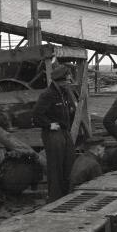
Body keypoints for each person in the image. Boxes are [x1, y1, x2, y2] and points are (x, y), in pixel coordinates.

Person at [32, 64, 76, 202]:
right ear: (59, 81)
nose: (69, 83)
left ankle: (67, 195)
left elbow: (71, 110)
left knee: (69, 162)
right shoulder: (47, 95)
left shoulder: (66, 92)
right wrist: (49, 125)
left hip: (64, 132)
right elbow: (36, 116)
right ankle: (55, 198)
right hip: (53, 134)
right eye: (67, 80)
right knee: (55, 167)